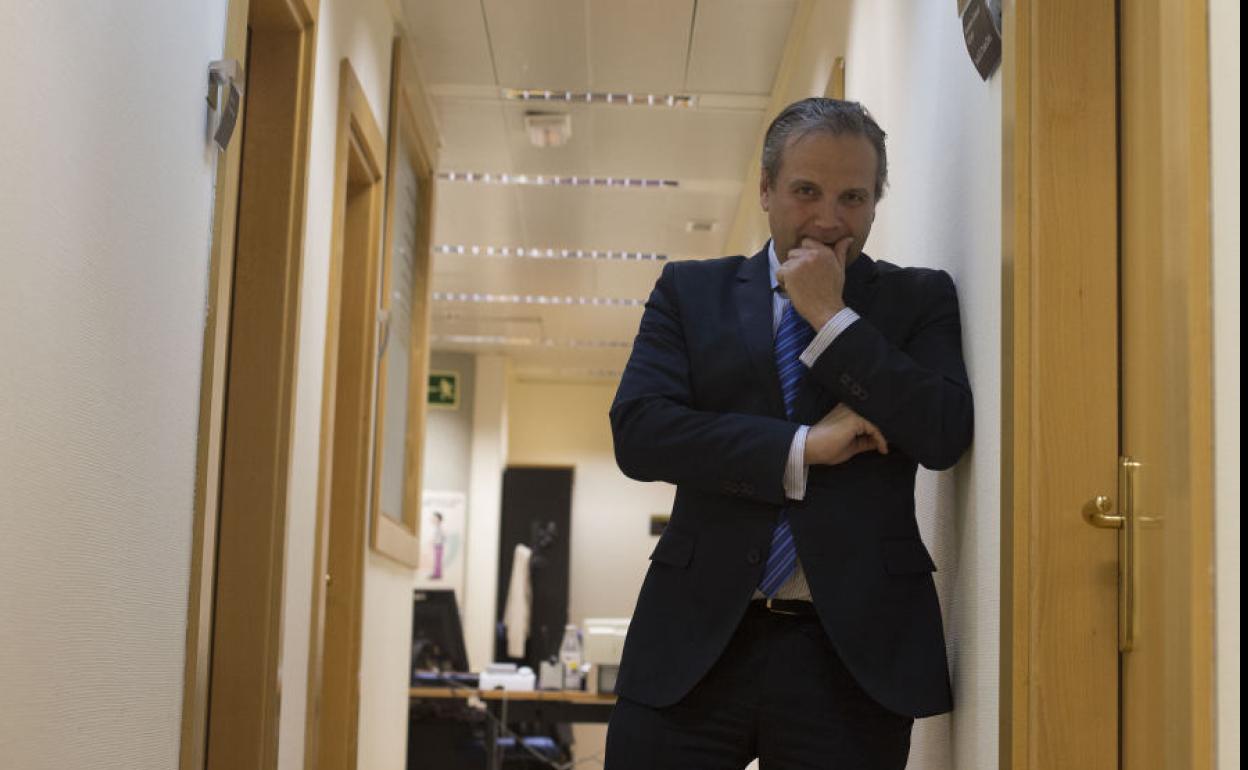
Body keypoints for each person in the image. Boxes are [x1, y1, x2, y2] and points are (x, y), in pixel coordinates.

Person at [604, 98, 973, 769]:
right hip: (693, 644)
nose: (830, 218)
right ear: (767, 189)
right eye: (806, 191)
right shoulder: (691, 292)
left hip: (853, 657)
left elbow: (943, 433)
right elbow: (640, 431)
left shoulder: (918, 301)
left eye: (853, 197)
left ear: (875, 202)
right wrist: (802, 448)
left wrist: (832, 320)